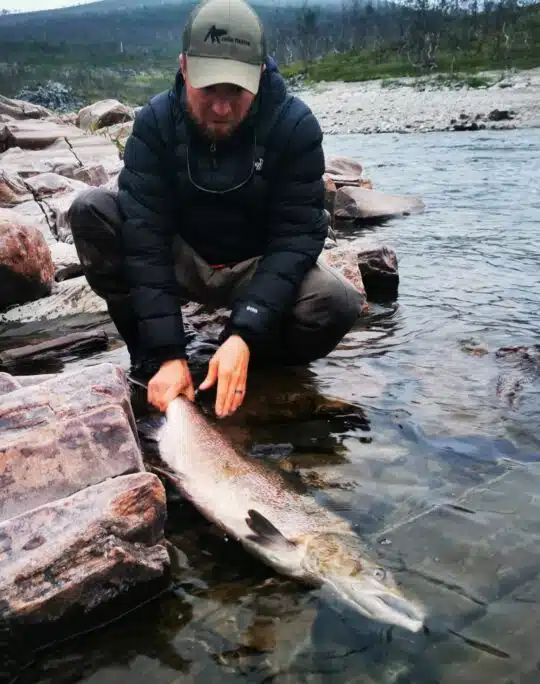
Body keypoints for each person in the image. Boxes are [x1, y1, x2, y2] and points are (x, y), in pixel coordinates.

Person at [68, 0, 364, 419]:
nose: (222, 108)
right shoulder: (154, 123)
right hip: (182, 258)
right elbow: (144, 238)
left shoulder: (295, 126)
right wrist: (168, 350)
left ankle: (248, 367)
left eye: (236, 92)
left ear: (260, 74)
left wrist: (243, 335)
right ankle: (152, 362)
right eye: (209, 90)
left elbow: (296, 239)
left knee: (335, 302)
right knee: (92, 210)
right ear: (184, 68)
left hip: (253, 267)